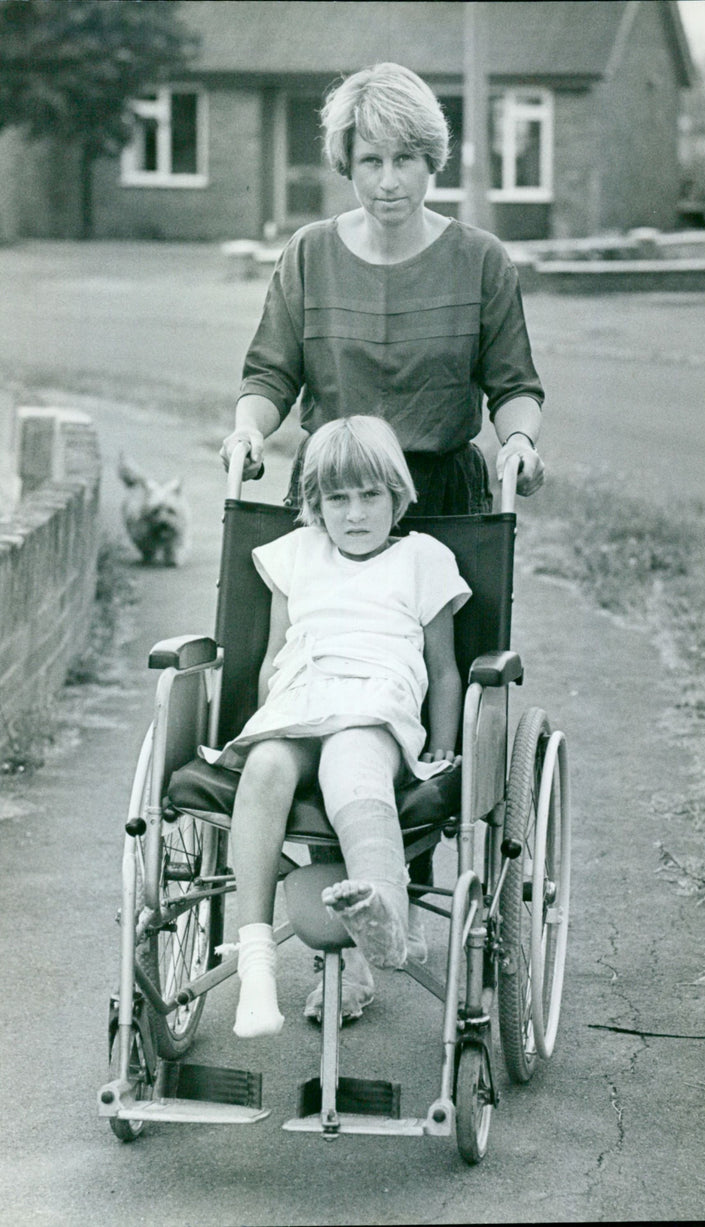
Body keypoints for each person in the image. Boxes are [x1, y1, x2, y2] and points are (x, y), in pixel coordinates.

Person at [219, 60, 544, 1019]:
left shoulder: (482, 260)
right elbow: (269, 371)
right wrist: (247, 427)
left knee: (413, 691)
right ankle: (348, 956)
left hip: (441, 499)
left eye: (408, 159)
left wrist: (519, 437)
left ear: (433, 161)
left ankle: (389, 899)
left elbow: (512, 381)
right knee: (321, 679)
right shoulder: (310, 254)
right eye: (370, 160)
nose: (390, 179)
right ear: (345, 164)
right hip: (333, 493)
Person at [208, 417, 470, 1039]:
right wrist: (271, 721)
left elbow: (445, 669)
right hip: (302, 697)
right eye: (337, 499)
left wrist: (442, 744)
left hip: (375, 702)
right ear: (315, 506)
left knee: (350, 759)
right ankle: (258, 961)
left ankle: (383, 907)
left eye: (370, 496)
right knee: (270, 764)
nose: (355, 514)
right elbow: (276, 654)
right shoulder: (296, 555)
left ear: (397, 496)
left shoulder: (422, 559)